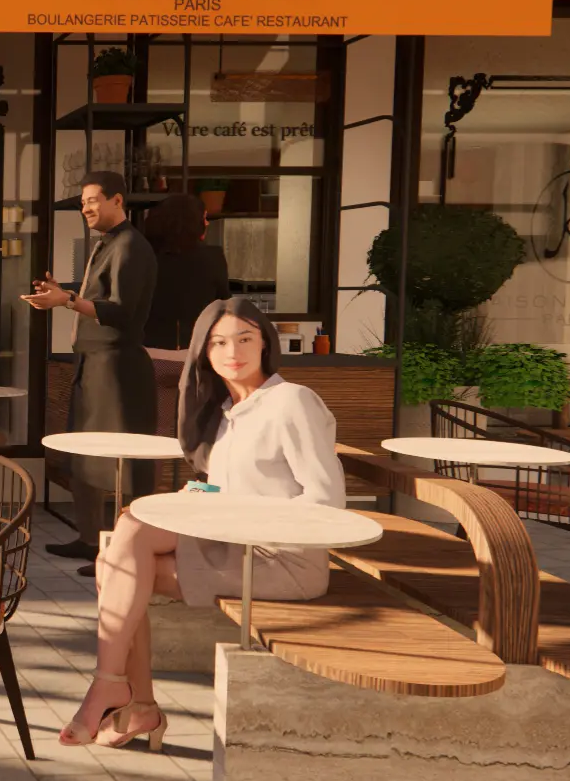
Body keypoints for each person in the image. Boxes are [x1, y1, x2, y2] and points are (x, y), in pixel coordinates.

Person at [58, 297, 343, 749]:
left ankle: (117, 691)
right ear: (204, 353)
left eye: (245, 339)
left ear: (266, 343)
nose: (233, 352)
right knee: (117, 553)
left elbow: (326, 502)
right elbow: (246, 489)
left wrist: (227, 511)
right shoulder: (231, 411)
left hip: (284, 561)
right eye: (219, 343)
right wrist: (204, 498)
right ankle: (134, 702)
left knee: (123, 555)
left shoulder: (292, 402)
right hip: (239, 548)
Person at [22, 170, 158, 563]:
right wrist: (63, 295)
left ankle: (128, 551)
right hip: (91, 364)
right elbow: (96, 302)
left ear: (118, 200)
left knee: (122, 463)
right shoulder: (107, 244)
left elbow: (121, 311)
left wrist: (66, 300)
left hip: (117, 368)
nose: (85, 208)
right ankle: (90, 539)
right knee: (83, 455)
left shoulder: (130, 246)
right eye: (83, 202)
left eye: (93, 200)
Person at [142, 194, 231, 350]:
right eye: (204, 218)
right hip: (196, 347)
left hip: (148, 347)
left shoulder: (142, 256)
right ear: (192, 223)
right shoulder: (212, 257)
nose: (207, 223)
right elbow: (225, 303)